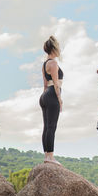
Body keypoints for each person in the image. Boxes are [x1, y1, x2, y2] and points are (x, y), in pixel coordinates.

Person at [39, 36, 63, 165]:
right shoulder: (53, 63)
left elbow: (45, 84)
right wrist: (59, 98)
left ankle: (47, 155)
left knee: (46, 126)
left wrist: (44, 97)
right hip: (52, 94)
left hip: (45, 95)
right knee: (52, 126)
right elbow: (55, 82)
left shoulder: (44, 64)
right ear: (54, 48)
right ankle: (50, 156)